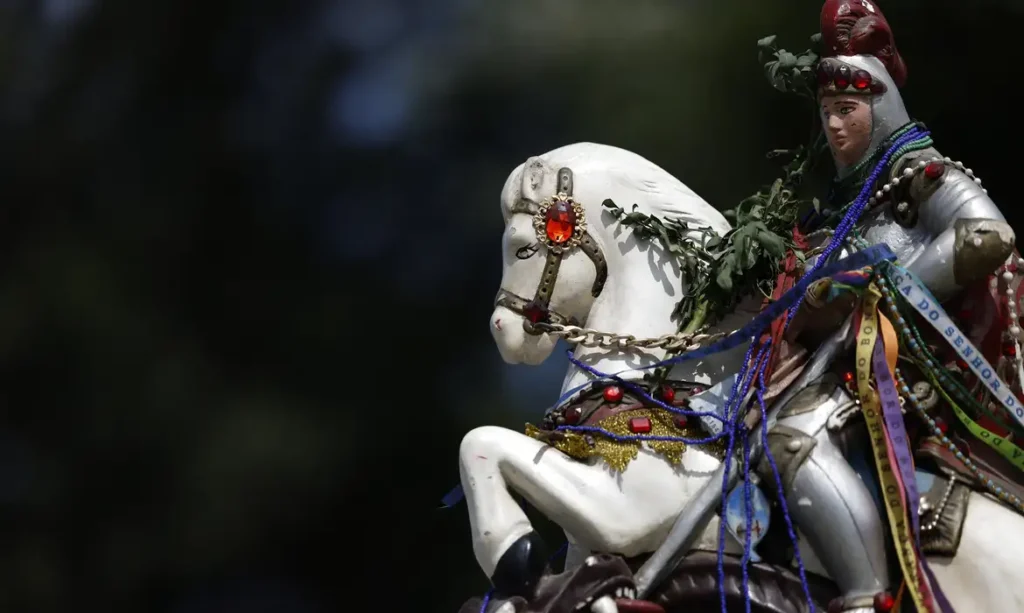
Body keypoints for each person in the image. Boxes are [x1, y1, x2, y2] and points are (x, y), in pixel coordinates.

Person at [764, 2, 1020, 611]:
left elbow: (989, 234)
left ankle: (865, 597)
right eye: (827, 111)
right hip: (837, 366)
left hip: (911, 374)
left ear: (879, 108)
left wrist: (883, 284)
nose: (834, 125)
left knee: (793, 439)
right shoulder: (835, 208)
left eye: (847, 109)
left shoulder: (920, 175)